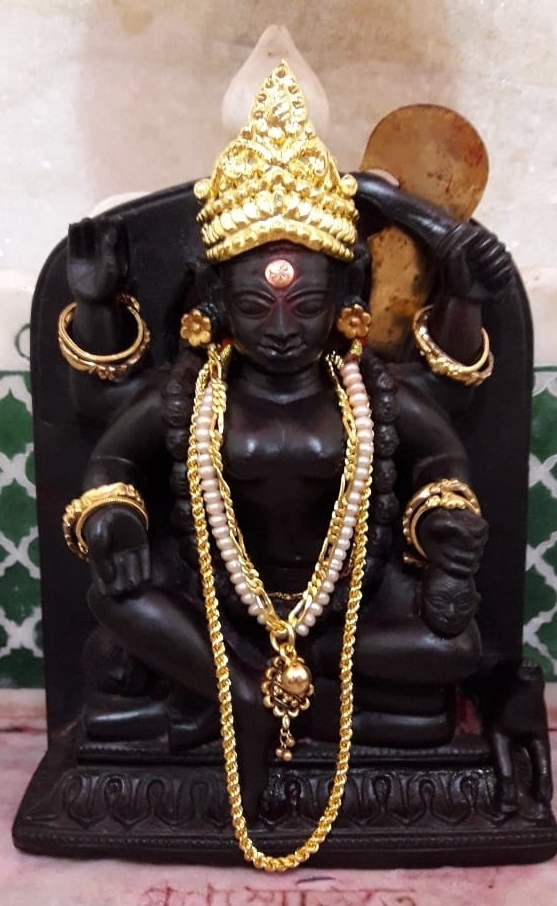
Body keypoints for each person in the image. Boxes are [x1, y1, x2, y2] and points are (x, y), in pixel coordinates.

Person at [58, 64, 545, 868]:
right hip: (220, 607)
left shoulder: (371, 392)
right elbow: (108, 444)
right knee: (115, 596)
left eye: (306, 305)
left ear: (343, 300)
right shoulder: (193, 394)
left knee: (452, 647)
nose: (282, 329)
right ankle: (255, 694)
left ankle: (237, 693)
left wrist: (443, 522)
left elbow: (443, 453)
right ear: (219, 303)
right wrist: (111, 512)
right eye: (256, 306)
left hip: (347, 615)